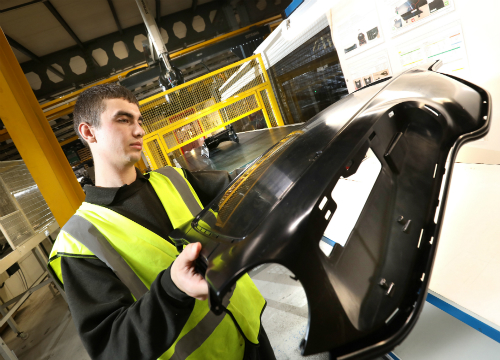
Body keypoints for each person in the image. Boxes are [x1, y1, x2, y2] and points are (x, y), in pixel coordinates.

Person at [47, 84, 275, 360]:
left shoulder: (174, 179)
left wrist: (290, 166)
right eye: (123, 119)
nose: (139, 130)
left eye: (139, 120)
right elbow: (113, 347)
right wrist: (172, 289)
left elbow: (241, 188)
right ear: (88, 132)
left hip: (251, 334)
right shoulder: (79, 240)